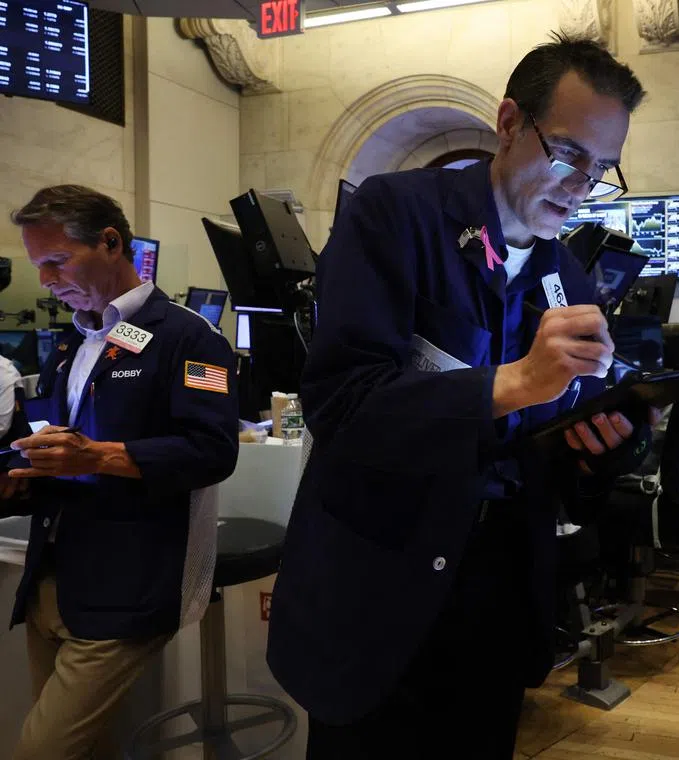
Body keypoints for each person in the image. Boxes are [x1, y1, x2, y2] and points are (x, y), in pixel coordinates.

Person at [266, 35, 649, 758]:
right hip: (378, 605)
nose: (580, 184)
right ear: (509, 122)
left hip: (496, 607)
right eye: (569, 155)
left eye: (601, 170)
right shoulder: (395, 214)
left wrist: (602, 445)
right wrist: (515, 383)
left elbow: (552, 465)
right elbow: (344, 403)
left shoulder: (568, 270)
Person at [0, 185, 239, 760]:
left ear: (111, 242)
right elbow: (56, 449)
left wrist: (98, 456)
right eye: (38, 266)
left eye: (57, 261)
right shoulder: (72, 344)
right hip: (53, 580)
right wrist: (19, 477)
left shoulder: (190, 337)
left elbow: (211, 451)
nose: (48, 279)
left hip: (127, 586)